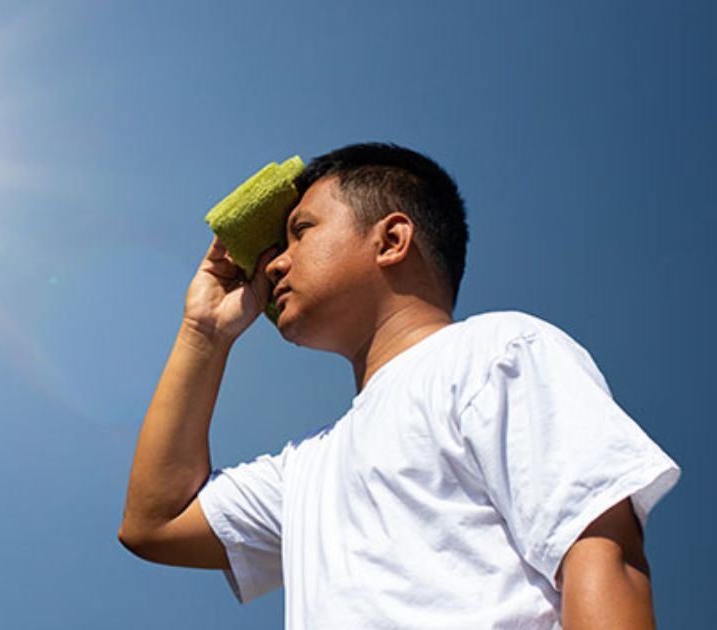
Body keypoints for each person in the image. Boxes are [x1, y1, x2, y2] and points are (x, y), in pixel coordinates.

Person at [117, 143, 680, 628]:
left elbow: (601, 554)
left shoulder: (497, 350)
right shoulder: (309, 468)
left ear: (391, 239)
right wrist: (204, 334)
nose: (274, 267)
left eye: (300, 232)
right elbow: (154, 523)